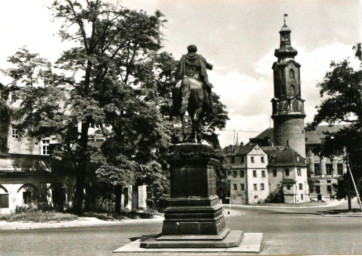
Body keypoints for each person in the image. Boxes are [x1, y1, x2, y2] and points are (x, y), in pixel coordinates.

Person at [175, 44, 213, 113]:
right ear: (196, 50)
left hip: (184, 78)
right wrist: (210, 66)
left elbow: (178, 70)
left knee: (175, 89)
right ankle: (209, 106)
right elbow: (207, 66)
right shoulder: (200, 57)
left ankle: (174, 107)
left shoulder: (183, 57)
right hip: (196, 78)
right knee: (208, 88)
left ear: (188, 50)